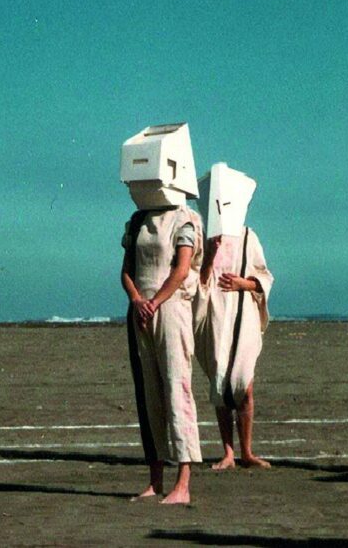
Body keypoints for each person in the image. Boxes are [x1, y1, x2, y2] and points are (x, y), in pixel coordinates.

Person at [121, 205, 204, 504]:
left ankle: (183, 483)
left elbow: (181, 270)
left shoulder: (185, 219)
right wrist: (137, 300)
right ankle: (155, 480)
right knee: (150, 396)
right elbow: (127, 270)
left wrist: (155, 302)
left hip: (171, 307)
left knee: (177, 389)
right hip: (141, 310)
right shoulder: (137, 221)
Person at [194, 230, 274, 470]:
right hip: (215, 313)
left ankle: (247, 452)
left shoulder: (248, 236)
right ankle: (228, 452)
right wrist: (210, 255)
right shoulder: (204, 236)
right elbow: (198, 281)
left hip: (244, 313)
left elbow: (264, 277)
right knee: (220, 380)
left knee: (244, 383)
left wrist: (243, 284)